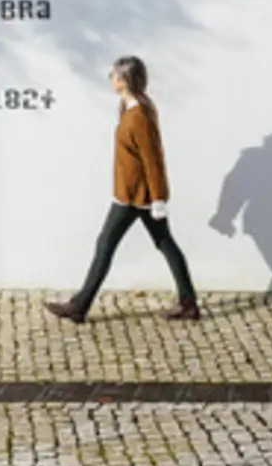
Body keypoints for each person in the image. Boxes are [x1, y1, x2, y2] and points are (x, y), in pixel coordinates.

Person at [46, 55, 201, 323]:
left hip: (135, 197)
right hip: (131, 193)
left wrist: (159, 198)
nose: (111, 78)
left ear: (125, 80)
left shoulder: (139, 115)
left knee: (105, 245)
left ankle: (79, 307)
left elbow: (153, 158)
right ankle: (188, 303)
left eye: (115, 75)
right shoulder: (129, 106)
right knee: (165, 244)